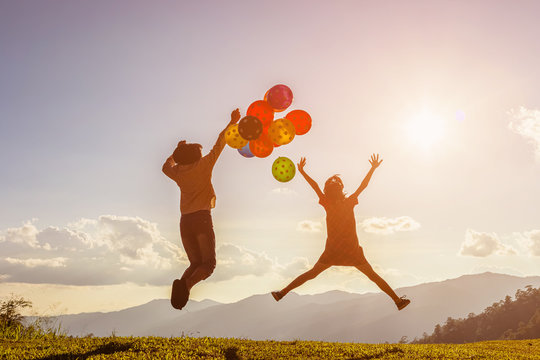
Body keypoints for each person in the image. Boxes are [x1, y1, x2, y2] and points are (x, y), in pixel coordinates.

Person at [271, 154, 411, 311]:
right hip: (352, 251)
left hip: (332, 251)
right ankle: (397, 301)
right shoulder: (349, 202)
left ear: (327, 191)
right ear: (341, 189)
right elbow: (363, 186)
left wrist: (302, 171)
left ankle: (282, 293)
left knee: (311, 274)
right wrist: (372, 168)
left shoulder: (327, 203)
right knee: (373, 277)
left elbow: (315, 186)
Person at [162, 108, 241, 310]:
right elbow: (220, 142)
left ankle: (181, 291)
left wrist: (174, 153)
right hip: (202, 219)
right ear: (196, 155)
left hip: (185, 222)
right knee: (208, 265)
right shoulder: (204, 165)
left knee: (195, 263)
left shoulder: (178, 172)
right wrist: (232, 122)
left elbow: (165, 167)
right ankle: (186, 285)